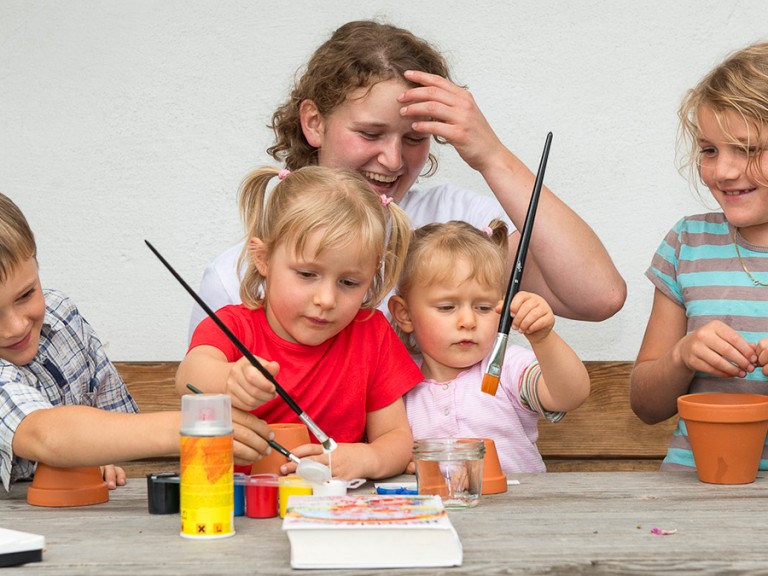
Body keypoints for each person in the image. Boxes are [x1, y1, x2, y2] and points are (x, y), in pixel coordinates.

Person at [188, 19, 625, 340]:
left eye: (416, 138)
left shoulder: (458, 222)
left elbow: (599, 296)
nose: (394, 160)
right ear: (314, 122)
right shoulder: (236, 275)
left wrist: (492, 156)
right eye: (370, 133)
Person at [0, 193, 274, 492]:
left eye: (26, 295)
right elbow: (44, 435)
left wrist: (98, 448)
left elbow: (117, 422)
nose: (15, 327)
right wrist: (192, 426)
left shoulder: (62, 316)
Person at [177, 165, 423, 480]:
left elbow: (397, 439)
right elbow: (188, 375)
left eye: (348, 282)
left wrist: (366, 458)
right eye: (307, 275)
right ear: (263, 258)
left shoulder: (371, 334)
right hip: (237, 507)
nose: (326, 299)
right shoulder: (232, 325)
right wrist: (228, 379)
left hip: (333, 510)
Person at [630, 42, 768, 470]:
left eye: (747, 149)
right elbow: (646, 405)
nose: (723, 171)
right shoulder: (688, 242)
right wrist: (681, 355)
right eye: (709, 150)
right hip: (695, 487)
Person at [388, 219, 590, 473]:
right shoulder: (398, 384)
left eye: (483, 308)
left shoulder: (506, 367)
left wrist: (543, 339)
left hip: (516, 509)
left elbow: (570, 395)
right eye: (447, 307)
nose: (468, 321)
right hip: (439, 510)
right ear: (404, 314)